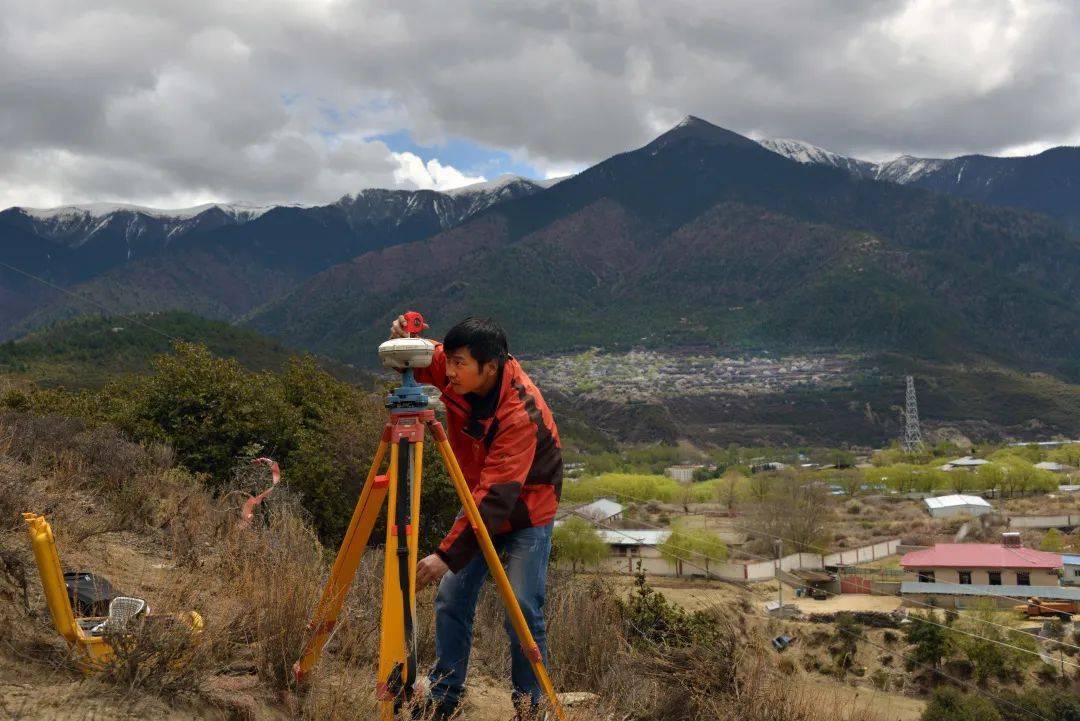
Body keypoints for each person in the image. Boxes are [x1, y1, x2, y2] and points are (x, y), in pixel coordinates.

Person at [389, 314, 563, 720]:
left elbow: (499, 495)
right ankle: (444, 696)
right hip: (480, 499)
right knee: (452, 596)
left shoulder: (520, 411)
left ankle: (529, 706)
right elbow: (421, 354)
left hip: (525, 511)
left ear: (492, 365)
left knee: (521, 607)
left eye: (460, 363)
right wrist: (401, 338)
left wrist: (446, 555)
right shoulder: (458, 371)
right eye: (449, 361)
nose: (448, 372)